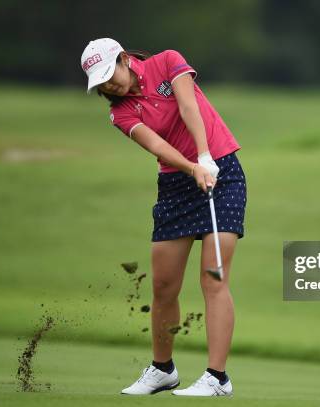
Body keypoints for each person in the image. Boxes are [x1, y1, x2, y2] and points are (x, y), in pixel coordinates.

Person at [80, 38, 246, 397]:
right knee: (164, 286)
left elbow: (189, 107)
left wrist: (204, 156)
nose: (109, 85)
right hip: (176, 183)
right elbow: (156, 146)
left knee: (213, 278)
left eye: (110, 73)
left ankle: (217, 378)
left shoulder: (167, 61)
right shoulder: (120, 112)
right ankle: (162, 370)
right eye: (101, 83)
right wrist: (190, 167)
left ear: (125, 59)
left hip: (222, 172)